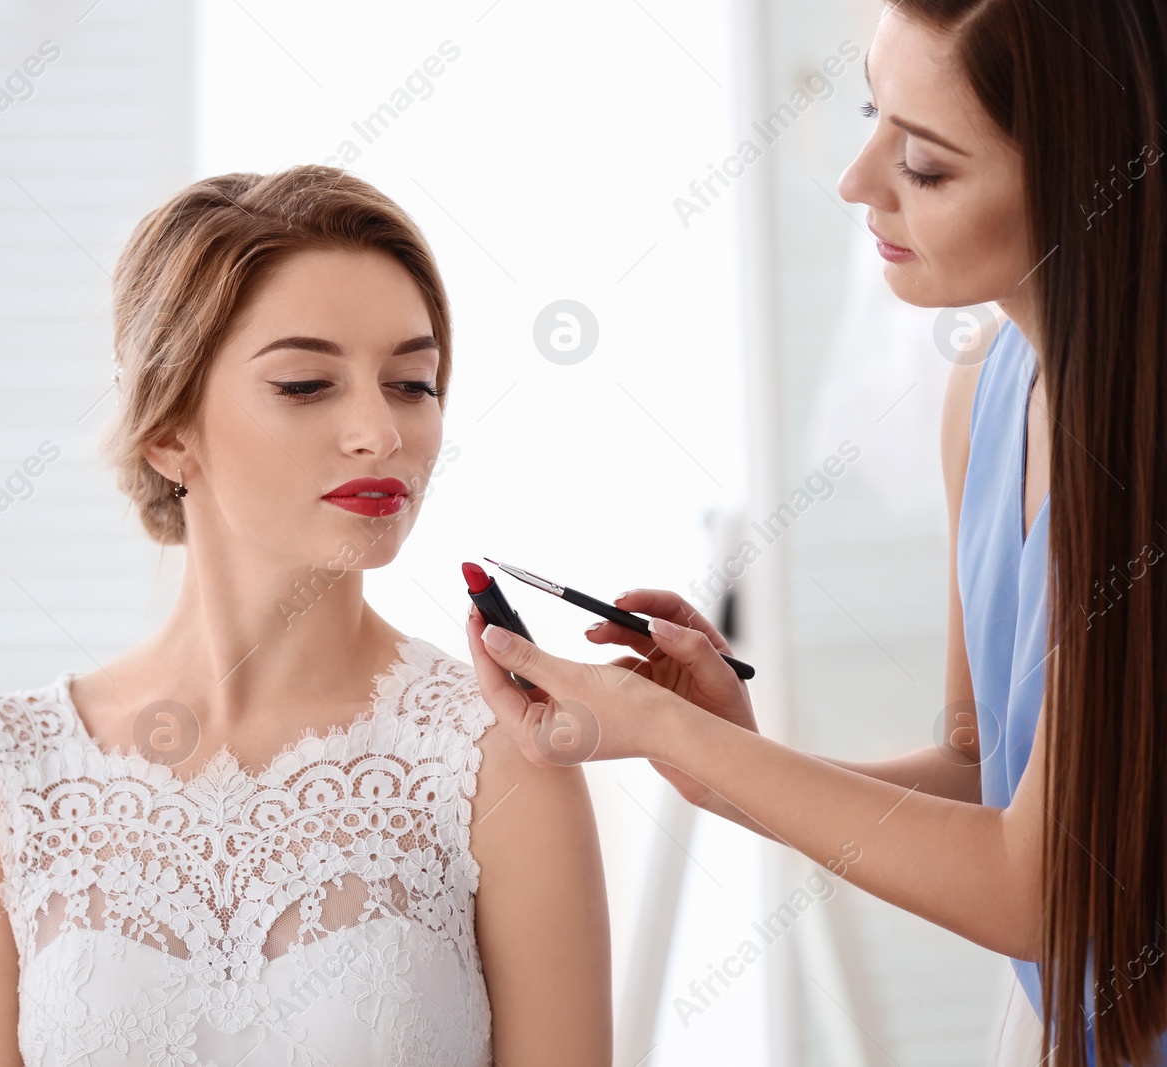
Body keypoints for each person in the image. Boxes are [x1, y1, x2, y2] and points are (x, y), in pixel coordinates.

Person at [463, 3, 1167, 1066]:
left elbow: (1039, 884)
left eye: (923, 165)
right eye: (870, 113)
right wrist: (734, 763)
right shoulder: (982, 391)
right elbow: (984, 768)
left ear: (1084, 179)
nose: (856, 180)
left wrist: (674, 737)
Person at [0, 165, 613, 1066]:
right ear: (169, 430)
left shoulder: (497, 754)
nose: (381, 432)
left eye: (412, 382)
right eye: (306, 385)